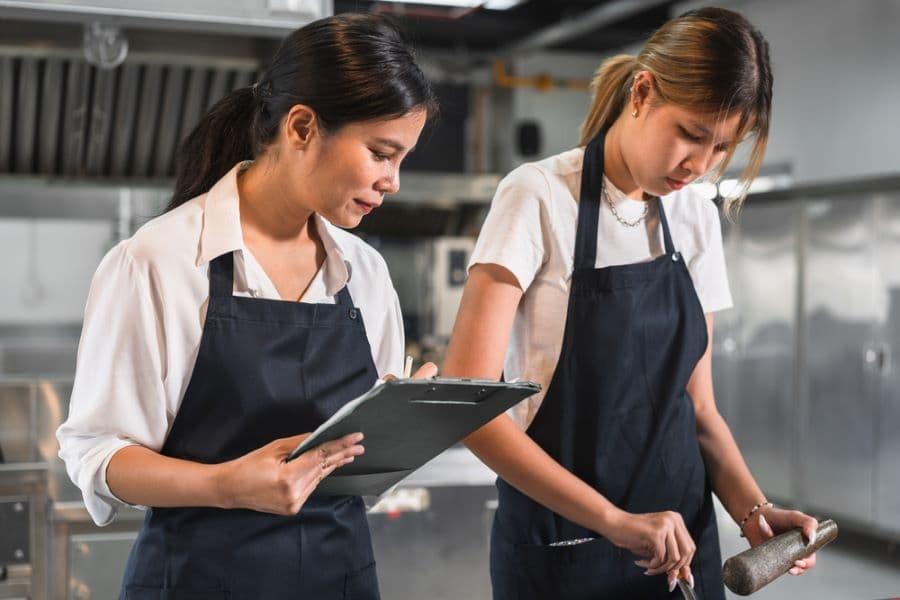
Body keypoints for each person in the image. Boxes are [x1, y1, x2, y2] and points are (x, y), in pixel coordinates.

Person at [57, 13, 438, 599]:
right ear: (303, 126)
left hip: (340, 580)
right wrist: (228, 485)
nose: (393, 181)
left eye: (402, 159)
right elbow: (98, 455)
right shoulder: (158, 262)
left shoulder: (365, 272)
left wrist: (403, 419)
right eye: (381, 153)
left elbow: (362, 476)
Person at [443, 7, 818, 599]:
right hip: (563, 549)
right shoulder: (538, 197)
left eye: (722, 148)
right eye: (691, 135)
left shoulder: (694, 217)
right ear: (642, 91)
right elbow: (470, 407)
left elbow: (698, 412)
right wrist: (614, 523)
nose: (700, 166)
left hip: (680, 551)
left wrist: (754, 512)